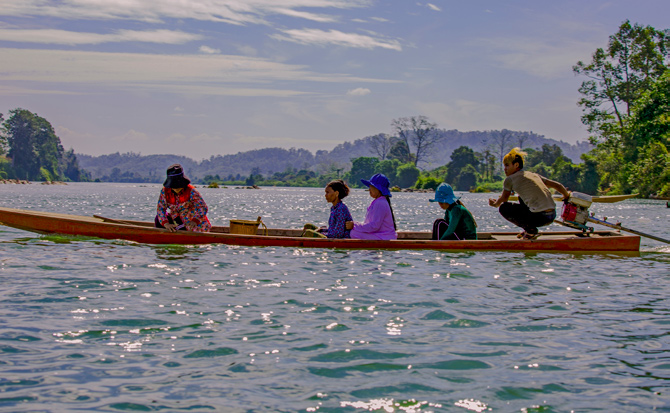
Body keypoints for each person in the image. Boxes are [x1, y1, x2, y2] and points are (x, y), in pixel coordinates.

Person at [488, 148, 570, 239]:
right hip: (552, 215)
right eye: (504, 166)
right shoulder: (533, 175)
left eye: (507, 165)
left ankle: (530, 230)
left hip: (538, 217)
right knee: (521, 197)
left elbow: (504, 199)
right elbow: (558, 186)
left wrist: (495, 204)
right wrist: (566, 196)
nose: (505, 169)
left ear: (516, 165)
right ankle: (528, 229)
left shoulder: (509, 180)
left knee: (504, 208)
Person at [155, 164, 212, 232]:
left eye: (178, 186)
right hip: (177, 220)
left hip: (192, 221)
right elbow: (161, 209)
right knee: (158, 219)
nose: (176, 188)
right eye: (173, 186)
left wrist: (195, 220)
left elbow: (202, 207)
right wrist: (166, 224)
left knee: (194, 229)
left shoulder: (191, 191)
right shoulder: (165, 191)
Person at [346, 173, 397, 240]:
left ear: (379, 189)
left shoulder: (380, 203)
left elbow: (374, 226)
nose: (369, 189)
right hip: (381, 235)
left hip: (384, 237)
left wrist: (354, 225)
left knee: (353, 233)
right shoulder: (378, 201)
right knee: (355, 232)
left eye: (372, 187)